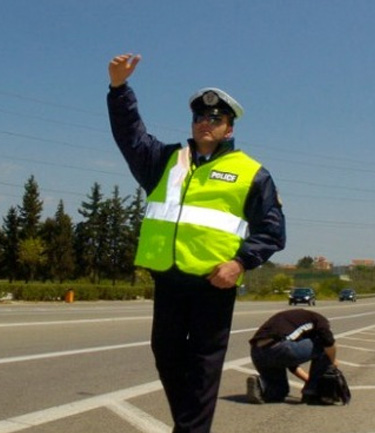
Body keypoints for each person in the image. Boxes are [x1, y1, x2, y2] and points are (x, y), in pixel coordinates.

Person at [107, 54, 286, 433]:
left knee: (204, 367)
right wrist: (119, 89)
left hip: (213, 283)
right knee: (167, 356)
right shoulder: (166, 160)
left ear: (229, 127)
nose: (205, 123)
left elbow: (272, 231)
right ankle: (189, 428)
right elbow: (130, 135)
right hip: (169, 278)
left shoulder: (252, 173)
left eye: (215, 119)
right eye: (200, 117)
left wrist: (239, 263)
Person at [247, 308, 337, 405]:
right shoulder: (319, 320)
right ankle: (312, 393)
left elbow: (292, 365)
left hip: (257, 353)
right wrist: (333, 361)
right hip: (278, 348)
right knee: (324, 347)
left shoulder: (293, 321)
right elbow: (328, 341)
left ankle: (261, 386)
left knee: (280, 392)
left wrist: (309, 380)